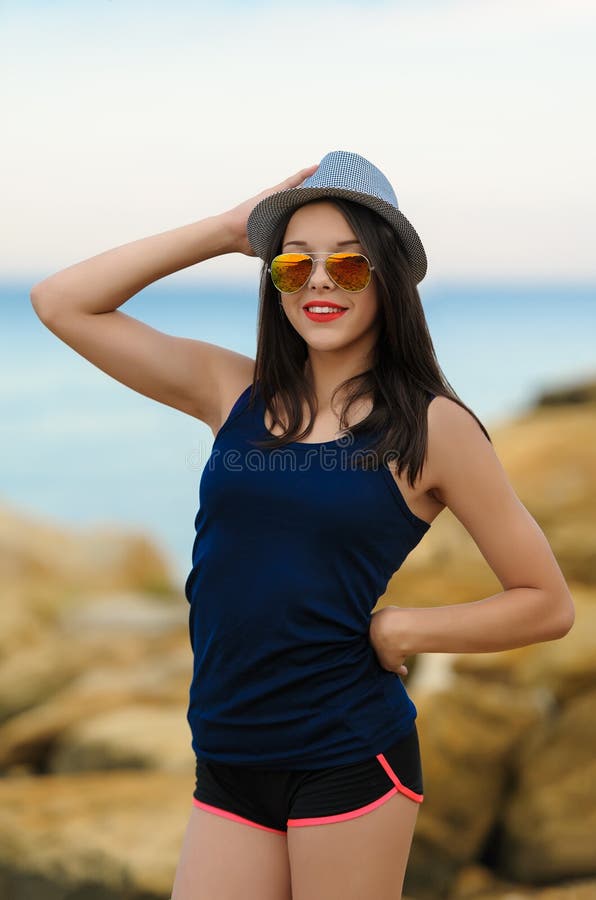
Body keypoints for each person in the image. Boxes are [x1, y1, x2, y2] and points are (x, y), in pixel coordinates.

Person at [30, 150, 575, 900]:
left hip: (346, 752)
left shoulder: (431, 428)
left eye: (348, 266)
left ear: (387, 279)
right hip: (227, 750)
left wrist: (405, 630)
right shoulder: (232, 391)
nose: (319, 280)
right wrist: (227, 230)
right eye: (294, 265)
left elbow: (546, 601)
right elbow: (63, 302)